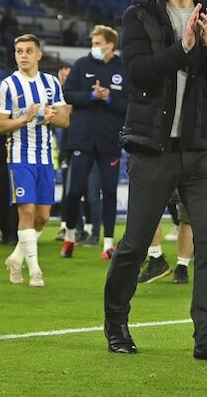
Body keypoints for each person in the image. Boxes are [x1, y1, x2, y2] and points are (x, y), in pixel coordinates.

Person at [103, 0, 207, 362]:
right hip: (153, 148)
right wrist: (182, 49)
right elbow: (138, 74)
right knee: (134, 243)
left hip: (201, 148)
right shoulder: (139, 14)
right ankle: (115, 322)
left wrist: (206, 44)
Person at [0, 34, 70, 287]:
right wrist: (24, 119)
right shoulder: (7, 85)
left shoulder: (50, 83)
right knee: (26, 211)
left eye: (28, 51)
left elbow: (65, 120)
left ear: (39, 54)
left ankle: (16, 258)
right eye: (19, 51)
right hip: (19, 156)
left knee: (43, 216)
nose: (23, 56)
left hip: (45, 156)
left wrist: (50, 116)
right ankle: (35, 270)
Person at [61, 25, 128, 260]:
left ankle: (108, 243)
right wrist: (91, 96)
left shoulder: (123, 69)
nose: (94, 47)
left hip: (110, 141)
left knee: (109, 191)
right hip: (82, 139)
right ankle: (69, 236)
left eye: (98, 43)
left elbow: (129, 106)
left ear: (111, 45)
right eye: (93, 43)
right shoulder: (81, 65)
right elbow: (67, 94)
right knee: (74, 192)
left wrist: (110, 98)